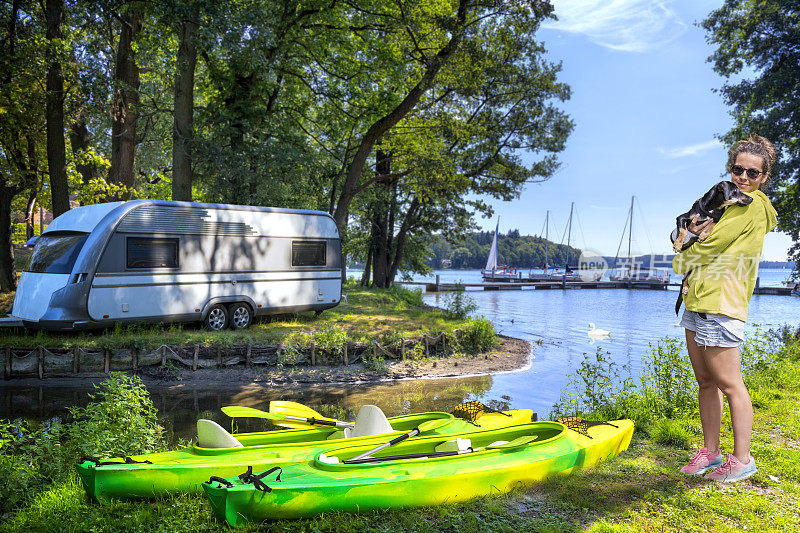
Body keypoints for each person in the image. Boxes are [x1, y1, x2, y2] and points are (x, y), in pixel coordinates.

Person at [672, 134, 778, 483]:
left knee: (730, 383)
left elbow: (708, 247)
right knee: (706, 381)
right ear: (730, 169)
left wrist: (682, 248)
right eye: (738, 170)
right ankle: (712, 452)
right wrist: (693, 243)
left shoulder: (751, 207)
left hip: (723, 301)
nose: (743, 178)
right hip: (699, 298)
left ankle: (743, 459)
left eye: (752, 173)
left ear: (764, 177)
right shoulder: (729, 204)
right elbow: (702, 244)